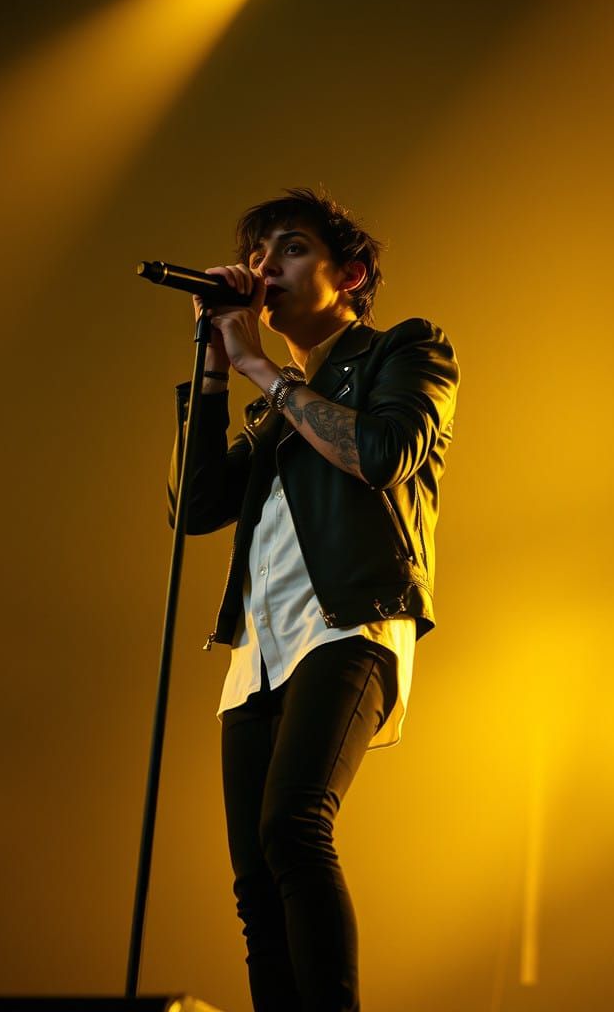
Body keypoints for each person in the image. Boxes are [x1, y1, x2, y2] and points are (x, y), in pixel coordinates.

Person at [167, 187, 459, 1012]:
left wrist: (263, 366)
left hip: (350, 625)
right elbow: (193, 510)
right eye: (256, 257)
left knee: (293, 828)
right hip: (259, 654)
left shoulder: (406, 350)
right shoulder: (271, 412)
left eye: (289, 250)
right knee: (256, 883)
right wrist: (218, 369)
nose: (264, 270)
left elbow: (381, 453)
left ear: (351, 272)